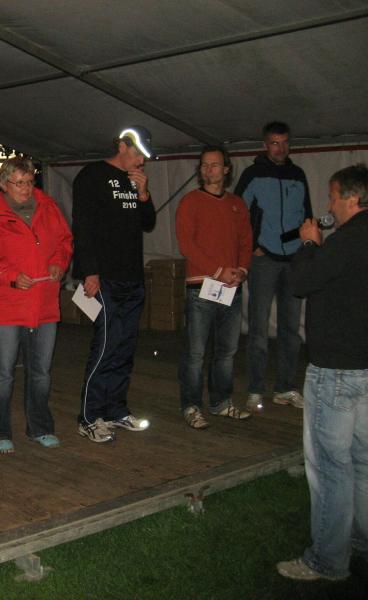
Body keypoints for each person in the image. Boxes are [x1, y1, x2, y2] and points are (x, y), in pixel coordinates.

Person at [277, 163, 368, 582]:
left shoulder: (345, 241)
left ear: (352, 198)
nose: (329, 205)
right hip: (364, 367)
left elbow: (301, 282)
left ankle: (328, 559)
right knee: (362, 461)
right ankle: (359, 539)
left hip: (335, 371)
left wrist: (310, 244)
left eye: (333, 197)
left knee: (330, 466)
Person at [0, 157, 73, 454]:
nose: (26, 188)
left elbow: (65, 242)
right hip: (4, 307)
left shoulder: (49, 208)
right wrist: (12, 276)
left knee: (41, 372)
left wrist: (58, 262)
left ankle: (40, 427)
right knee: (2, 374)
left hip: (43, 303)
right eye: (19, 183)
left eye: (29, 182)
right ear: (3, 184)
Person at [71, 126, 157, 443]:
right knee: (106, 345)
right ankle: (89, 417)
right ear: (121, 145)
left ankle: (115, 410)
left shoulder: (135, 181)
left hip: (132, 277)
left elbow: (148, 223)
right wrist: (90, 272)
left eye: (144, 157)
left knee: (125, 347)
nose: (141, 162)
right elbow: (83, 227)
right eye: (137, 154)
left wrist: (144, 194)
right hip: (104, 278)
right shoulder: (92, 176)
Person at [234, 121, 311, 412]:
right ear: (265, 145)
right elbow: (237, 214)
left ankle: (286, 388)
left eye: (285, 142)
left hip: (293, 259)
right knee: (258, 327)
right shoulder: (253, 174)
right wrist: (253, 246)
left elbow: (307, 214)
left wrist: (306, 250)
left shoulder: (298, 174)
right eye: (275, 143)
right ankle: (256, 389)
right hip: (263, 259)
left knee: (291, 328)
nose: (281, 148)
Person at [176, 146, 253, 429]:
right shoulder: (190, 202)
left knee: (227, 351)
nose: (209, 170)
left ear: (226, 169)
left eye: (215, 165)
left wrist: (242, 270)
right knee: (195, 353)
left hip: (231, 286)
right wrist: (219, 271)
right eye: (204, 165)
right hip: (201, 287)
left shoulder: (236, 204)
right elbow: (187, 245)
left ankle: (221, 402)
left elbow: (246, 240)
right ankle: (192, 406)